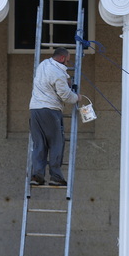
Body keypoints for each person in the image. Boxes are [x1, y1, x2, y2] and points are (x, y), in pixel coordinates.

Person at [29, 47, 80, 186]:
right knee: (56, 143)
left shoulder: (43, 64)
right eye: (68, 61)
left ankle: (37, 176)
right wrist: (76, 97)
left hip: (35, 110)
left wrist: (66, 81)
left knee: (39, 144)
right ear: (62, 58)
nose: (68, 64)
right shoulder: (58, 73)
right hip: (50, 111)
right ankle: (56, 177)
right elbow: (66, 96)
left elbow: (51, 82)